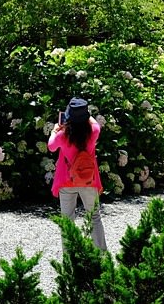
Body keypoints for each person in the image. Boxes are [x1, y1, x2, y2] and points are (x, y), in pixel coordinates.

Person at [48, 97, 107, 251]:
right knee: (94, 217)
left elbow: (51, 147)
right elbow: (94, 122)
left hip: (67, 181)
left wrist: (55, 129)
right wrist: (86, 115)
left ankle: (69, 259)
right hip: (88, 180)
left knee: (67, 221)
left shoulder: (62, 135)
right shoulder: (94, 131)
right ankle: (101, 255)